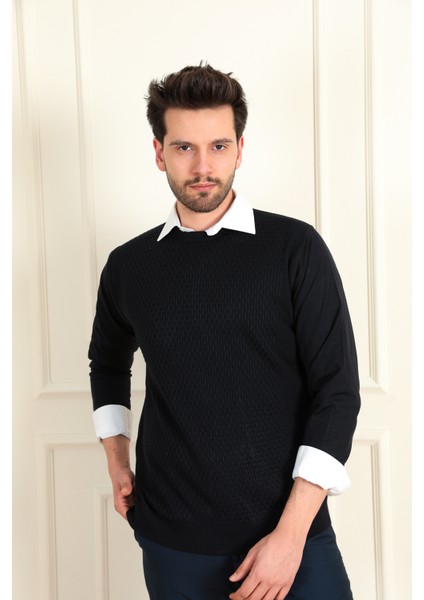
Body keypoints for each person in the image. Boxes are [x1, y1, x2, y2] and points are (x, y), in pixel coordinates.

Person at [89, 64, 360, 600]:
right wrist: (117, 461)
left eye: (218, 146)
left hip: (292, 535)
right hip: (172, 541)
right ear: (159, 153)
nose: (203, 166)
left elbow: (337, 393)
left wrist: (291, 535)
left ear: (240, 150)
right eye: (184, 148)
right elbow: (108, 362)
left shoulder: (295, 248)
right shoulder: (128, 265)